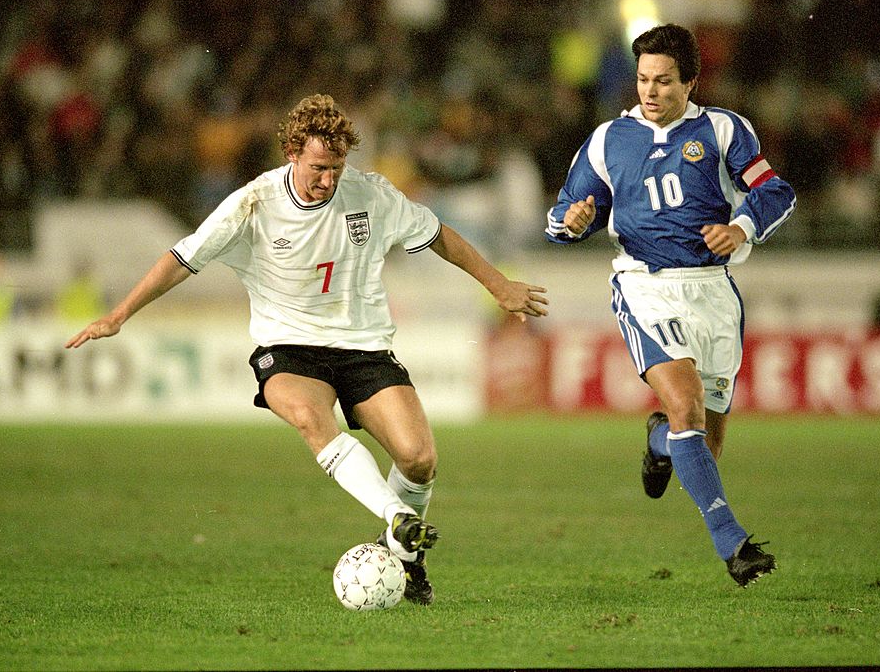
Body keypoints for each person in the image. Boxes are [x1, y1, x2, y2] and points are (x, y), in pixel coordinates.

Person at [66, 94, 549, 605]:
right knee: (309, 417)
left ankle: (406, 559)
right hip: (288, 347)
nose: (328, 179)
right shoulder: (253, 204)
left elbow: (437, 235)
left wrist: (498, 284)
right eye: (318, 167)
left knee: (419, 460)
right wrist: (120, 314)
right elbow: (182, 258)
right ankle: (397, 518)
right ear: (292, 153)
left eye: (337, 167)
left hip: (362, 346)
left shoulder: (370, 194)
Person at [545, 24, 796, 587]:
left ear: (690, 83)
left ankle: (659, 441)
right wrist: (573, 221)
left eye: (663, 81)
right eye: (642, 80)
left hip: (714, 292)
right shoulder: (608, 140)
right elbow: (563, 213)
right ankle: (734, 545)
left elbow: (775, 191)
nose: (650, 91)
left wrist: (741, 227)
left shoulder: (723, 130)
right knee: (686, 406)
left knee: (704, 442)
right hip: (646, 286)